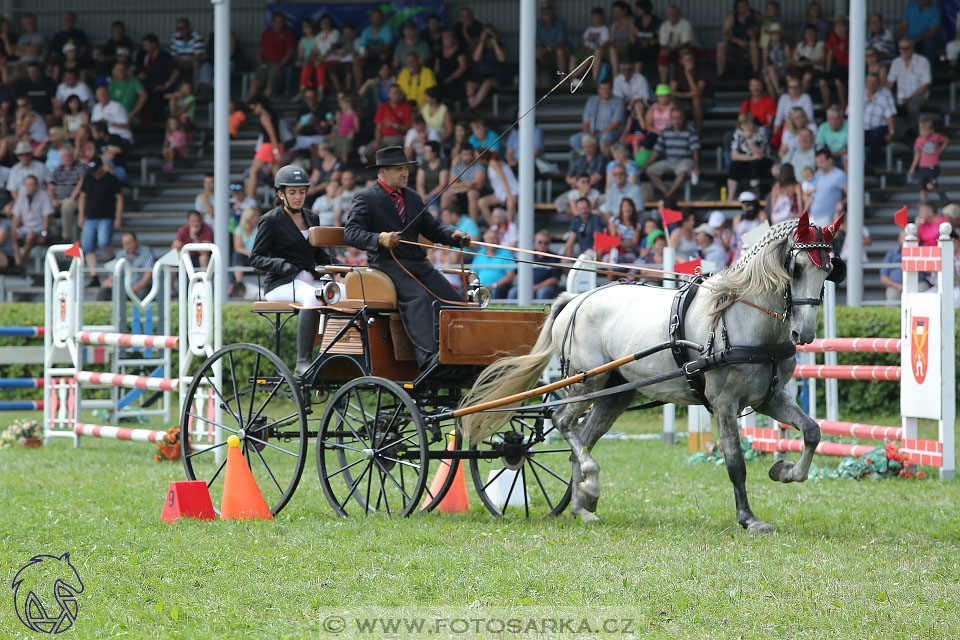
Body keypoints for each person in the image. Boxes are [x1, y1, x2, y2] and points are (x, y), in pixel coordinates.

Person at [344, 147, 472, 369]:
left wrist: (453, 235)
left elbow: (432, 228)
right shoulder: (365, 197)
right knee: (419, 298)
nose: (405, 173)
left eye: (406, 169)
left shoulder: (412, 197)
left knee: (455, 302)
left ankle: (463, 353)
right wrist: (380, 238)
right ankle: (430, 359)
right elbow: (351, 233)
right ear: (382, 171)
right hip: (386, 263)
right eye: (399, 169)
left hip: (418, 262)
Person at [250, 166, 336, 376]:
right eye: (292, 192)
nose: (298, 197)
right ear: (281, 194)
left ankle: (332, 356)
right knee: (314, 297)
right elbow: (256, 258)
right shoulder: (271, 220)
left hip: (308, 279)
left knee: (342, 294)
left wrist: (338, 266)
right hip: (280, 283)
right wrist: (281, 264)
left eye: (302, 192)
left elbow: (319, 255)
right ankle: (302, 362)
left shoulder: (312, 218)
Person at [77, 157, 122, 285]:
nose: (94, 172)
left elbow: (119, 198)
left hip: (106, 217)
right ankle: (94, 276)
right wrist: (81, 216)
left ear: (102, 167)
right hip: (90, 218)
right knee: (88, 248)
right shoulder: (88, 178)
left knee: (104, 243)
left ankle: (114, 259)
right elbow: (82, 197)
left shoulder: (110, 179)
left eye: (96, 169)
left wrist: (118, 217)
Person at [642, 108, 700, 199]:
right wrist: (645, 166)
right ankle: (667, 192)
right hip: (669, 161)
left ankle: (668, 195)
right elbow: (656, 151)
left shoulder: (690, 131)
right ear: (670, 119)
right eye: (674, 118)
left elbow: (695, 151)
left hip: (684, 161)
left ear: (683, 118)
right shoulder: (665, 131)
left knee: (683, 172)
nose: (676, 121)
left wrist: (696, 167)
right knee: (649, 170)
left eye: (679, 118)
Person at [247, 12, 295, 100]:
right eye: (276, 21)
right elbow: (260, 50)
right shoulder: (267, 33)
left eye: (280, 21)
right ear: (272, 22)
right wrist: (261, 62)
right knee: (255, 82)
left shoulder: (287, 33)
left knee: (270, 84)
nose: (278, 23)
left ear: (283, 22)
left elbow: (290, 52)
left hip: (279, 64)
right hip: (266, 63)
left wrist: (280, 64)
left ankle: (263, 105)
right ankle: (247, 105)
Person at [887, 39, 930, 136]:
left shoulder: (923, 61)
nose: (904, 51)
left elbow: (926, 85)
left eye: (907, 48)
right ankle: (903, 132)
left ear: (912, 48)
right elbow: (890, 83)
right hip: (900, 97)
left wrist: (909, 99)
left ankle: (914, 133)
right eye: (901, 48)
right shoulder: (896, 62)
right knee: (888, 105)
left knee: (912, 106)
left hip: (918, 96)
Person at [570, 80, 624, 156]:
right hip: (592, 133)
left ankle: (602, 164)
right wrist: (588, 135)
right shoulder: (592, 100)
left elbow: (615, 124)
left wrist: (600, 134)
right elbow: (585, 122)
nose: (606, 91)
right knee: (574, 139)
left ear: (611, 89)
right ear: (598, 90)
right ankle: (585, 158)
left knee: (605, 140)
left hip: (610, 132)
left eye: (607, 89)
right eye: (603, 89)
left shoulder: (618, 101)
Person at [10, 175, 53, 266]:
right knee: (11, 235)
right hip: (26, 228)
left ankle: (21, 261)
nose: (31, 187)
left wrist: (44, 233)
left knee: (31, 235)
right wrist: (13, 230)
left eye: (33, 184)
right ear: (25, 186)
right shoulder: (21, 196)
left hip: (40, 228)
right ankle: (17, 260)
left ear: (37, 185)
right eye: (28, 184)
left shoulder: (44, 195)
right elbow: (16, 216)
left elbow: (47, 216)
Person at [245, 96, 282, 199]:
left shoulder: (264, 116)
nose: (253, 111)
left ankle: (250, 198)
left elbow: (272, 134)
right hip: (277, 145)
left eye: (253, 108)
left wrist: (275, 150)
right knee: (276, 172)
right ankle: (280, 195)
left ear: (259, 106)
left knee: (253, 171)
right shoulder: (271, 114)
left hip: (269, 146)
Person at [507, 230, 560, 299]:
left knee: (542, 292)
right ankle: (511, 310)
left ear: (549, 244)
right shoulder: (527, 255)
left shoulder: (554, 257)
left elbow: (554, 279)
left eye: (546, 243)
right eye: (540, 242)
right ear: (535, 243)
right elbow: (519, 273)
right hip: (527, 287)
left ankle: (539, 310)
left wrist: (535, 288)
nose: (543, 245)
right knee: (513, 292)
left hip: (546, 288)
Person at [908, 117, 950, 203]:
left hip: (933, 167)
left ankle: (942, 195)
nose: (924, 133)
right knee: (922, 188)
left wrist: (940, 150)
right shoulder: (919, 140)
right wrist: (912, 167)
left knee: (931, 185)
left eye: (926, 130)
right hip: (923, 167)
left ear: (931, 130)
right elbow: (917, 155)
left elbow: (946, 140)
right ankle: (925, 205)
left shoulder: (936, 137)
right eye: (922, 131)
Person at [48, 145, 85, 242]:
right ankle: (52, 234)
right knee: (45, 207)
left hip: (74, 199)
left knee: (67, 206)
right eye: (65, 156)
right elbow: (51, 186)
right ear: (61, 158)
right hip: (58, 199)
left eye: (69, 155)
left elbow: (83, 180)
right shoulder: (58, 170)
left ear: (73, 156)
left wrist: (75, 193)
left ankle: (66, 237)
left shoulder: (79, 167)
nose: (67, 158)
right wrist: (53, 200)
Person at [862, 72, 897, 169]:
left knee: (876, 136)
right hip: (861, 128)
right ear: (865, 83)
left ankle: (872, 164)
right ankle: (860, 164)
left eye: (874, 82)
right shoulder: (860, 93)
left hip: (878, 127)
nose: (871, 85)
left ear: (879, 83)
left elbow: (890, 115)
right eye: (869, 82)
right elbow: (849, 113)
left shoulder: (885, 94)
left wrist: (891, 132)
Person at [717, 0, 760, 77]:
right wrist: (737, 41)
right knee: (721, 45)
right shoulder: (732, 15)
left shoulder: (755, 15)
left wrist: (749, 20)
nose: (743, 8)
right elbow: (725, 32)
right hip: (735, 42)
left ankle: (755, 73)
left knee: (754, 43)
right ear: (736, 8)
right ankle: (720, 74)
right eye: (740, 7)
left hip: (750, 42)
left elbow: (755, 35)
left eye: (745, 6)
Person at [471, 227, 515, 299]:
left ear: (499, 240)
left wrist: (494, 285)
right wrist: (475, 285)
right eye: (489, 238)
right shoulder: (479, 254)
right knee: (464, 291)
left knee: (496, 291)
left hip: (498, 287)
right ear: (485, 240)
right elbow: (472, 274)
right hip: (480, 287)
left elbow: (510, 276)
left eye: (494, 238)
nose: (492, 241)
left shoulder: (506, 254)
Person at [657, 4, 697, 83]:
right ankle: (664, 82)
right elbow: (663, 44)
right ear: (667, 15)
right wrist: (666, 50)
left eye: (674, 13)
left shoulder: (685, 24)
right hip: (671, 50)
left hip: (688, 49)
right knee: (662, 54)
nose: (672, 16)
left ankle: (686, 81)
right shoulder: (664, 25)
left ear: (678, 14)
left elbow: (686, 44)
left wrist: (671, 49)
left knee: (685, 54)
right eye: (670, 14)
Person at [569, 7, 609, 84]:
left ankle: (574, 77)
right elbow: (583, 44)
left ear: (602, 18)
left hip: (598, 53)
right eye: (594, 17)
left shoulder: (604, 29)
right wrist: (584, 49)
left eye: (598, 17)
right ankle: (572, 77)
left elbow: (605, 44)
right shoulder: (589, 29)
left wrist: (592, 50)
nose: (596, 19)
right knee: (573, 57)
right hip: (587, 51)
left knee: (590, 57)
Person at [809, 148, 846, 226]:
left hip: (827, 219)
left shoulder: (839, 175)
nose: (818, 165)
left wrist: (842, 203)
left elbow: (851, 194)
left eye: (821, 162)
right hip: (812, 217)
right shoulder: (818, 174)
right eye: (817, 162)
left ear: (830, 160)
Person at [169, 18, 206, 93]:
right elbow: (173, 54)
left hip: (192, 62)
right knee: (170, 64)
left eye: (183, 28)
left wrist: (185, 61)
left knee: (196, 64)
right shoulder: (175, 37)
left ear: (189, 27)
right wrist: (180, 62)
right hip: (179, 62)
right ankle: (174, 90)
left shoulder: (196, 37)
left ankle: (196, 90)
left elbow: (199, 55)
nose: (181, 31)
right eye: (179, 28)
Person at [535, 1, 570, 80]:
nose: (547, 16)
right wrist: (538, 49)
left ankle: (562, 80)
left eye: (548, 13)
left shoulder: (560, 22)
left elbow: (561, 42)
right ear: (541, 15)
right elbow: (533, 41)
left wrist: (547, 49)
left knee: (559, 51)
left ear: (553, 13)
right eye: (544, 14)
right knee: (533, 53)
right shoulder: (538, 23)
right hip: (543, 53)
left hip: (557, 52)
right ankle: (536, 82)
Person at [230, 207, 259, 297]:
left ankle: (232, 287)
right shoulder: (239, 230)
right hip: (246, 257)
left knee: (234, 264)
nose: (257, 218)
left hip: (258, 256)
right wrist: (249, 253)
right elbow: (237, 248)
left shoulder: (260, 229)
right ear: (248, 218)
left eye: (257, 216)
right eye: (254, 216)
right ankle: (239, 283)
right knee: (237, 256)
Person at [822, 16, 849, 109]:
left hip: (848, 68)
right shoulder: (833, 36)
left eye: (842, 27)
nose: (840, 30)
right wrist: (828, 70)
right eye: (837, 28)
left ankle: (844, 105)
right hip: (838, 67)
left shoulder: (851, 35)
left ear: (846, 27)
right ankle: (826, 107)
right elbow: (830, 52)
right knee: (823, 81)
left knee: (838, 82)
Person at [762, 24, 790, 96]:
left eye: (777, 34)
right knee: (768, 76)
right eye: (773, 34)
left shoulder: (785, 46)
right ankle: (777, 93)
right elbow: (765, 61)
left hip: (782, 69)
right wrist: (768, 69)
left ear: (780, 35)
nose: (775, 36)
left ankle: (777, 95)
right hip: (770, 69)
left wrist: (782, 67)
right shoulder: (767, 46)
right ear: (770, 36)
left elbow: (789, 60)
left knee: (769, 77)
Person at [880, 229, 906, 302]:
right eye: (904, 238)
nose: (907, 241)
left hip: (917, 284)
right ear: (899, 240)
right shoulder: (892, 254)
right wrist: (898, 286)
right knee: (892, 295)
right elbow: (883, 278)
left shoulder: (920, 252)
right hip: (895, 286)